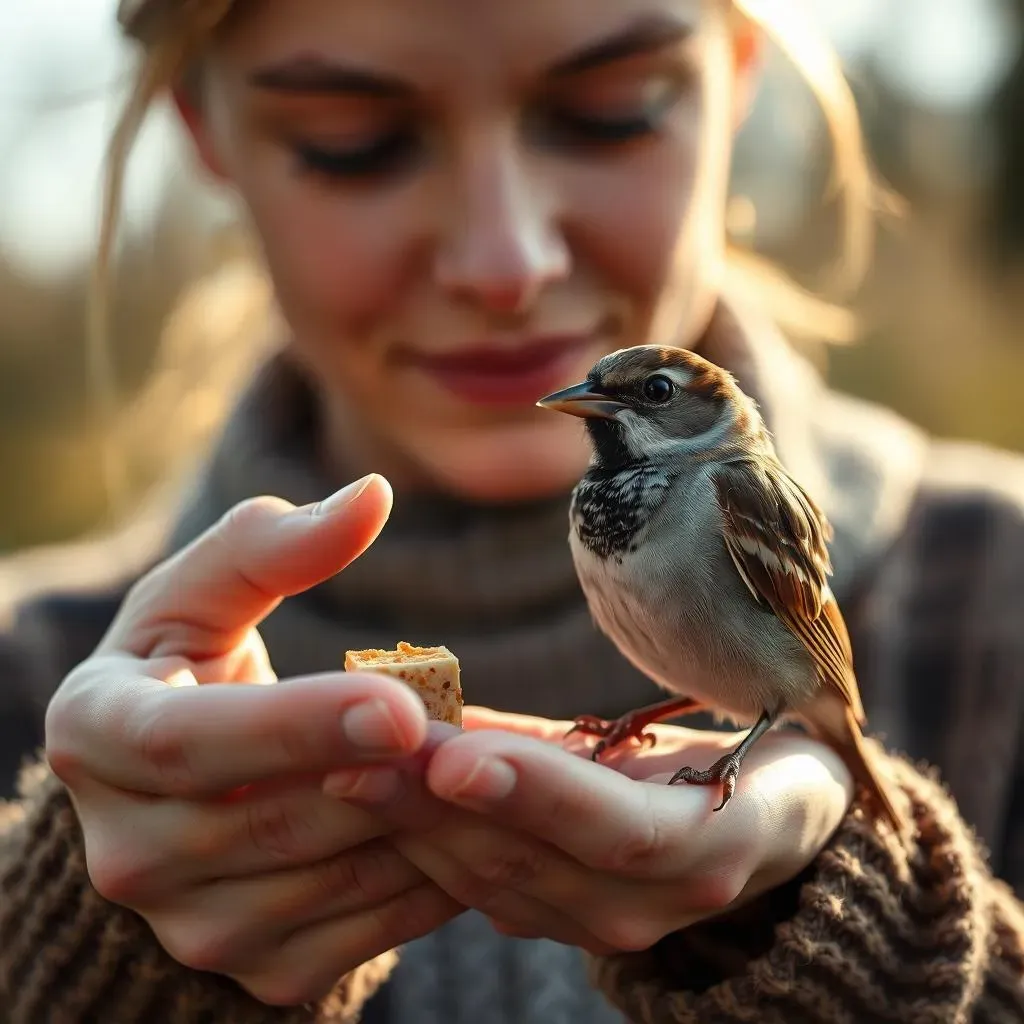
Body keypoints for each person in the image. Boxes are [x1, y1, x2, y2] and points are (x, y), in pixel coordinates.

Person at [2, 0, 1024, 1021]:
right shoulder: (33, 667)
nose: (506, 263)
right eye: (353, 142)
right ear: (205, 135)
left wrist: (871, 945)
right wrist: (93, 959)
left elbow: (792, 654)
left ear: (738, 78)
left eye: (610, 112)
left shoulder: (977, 598)